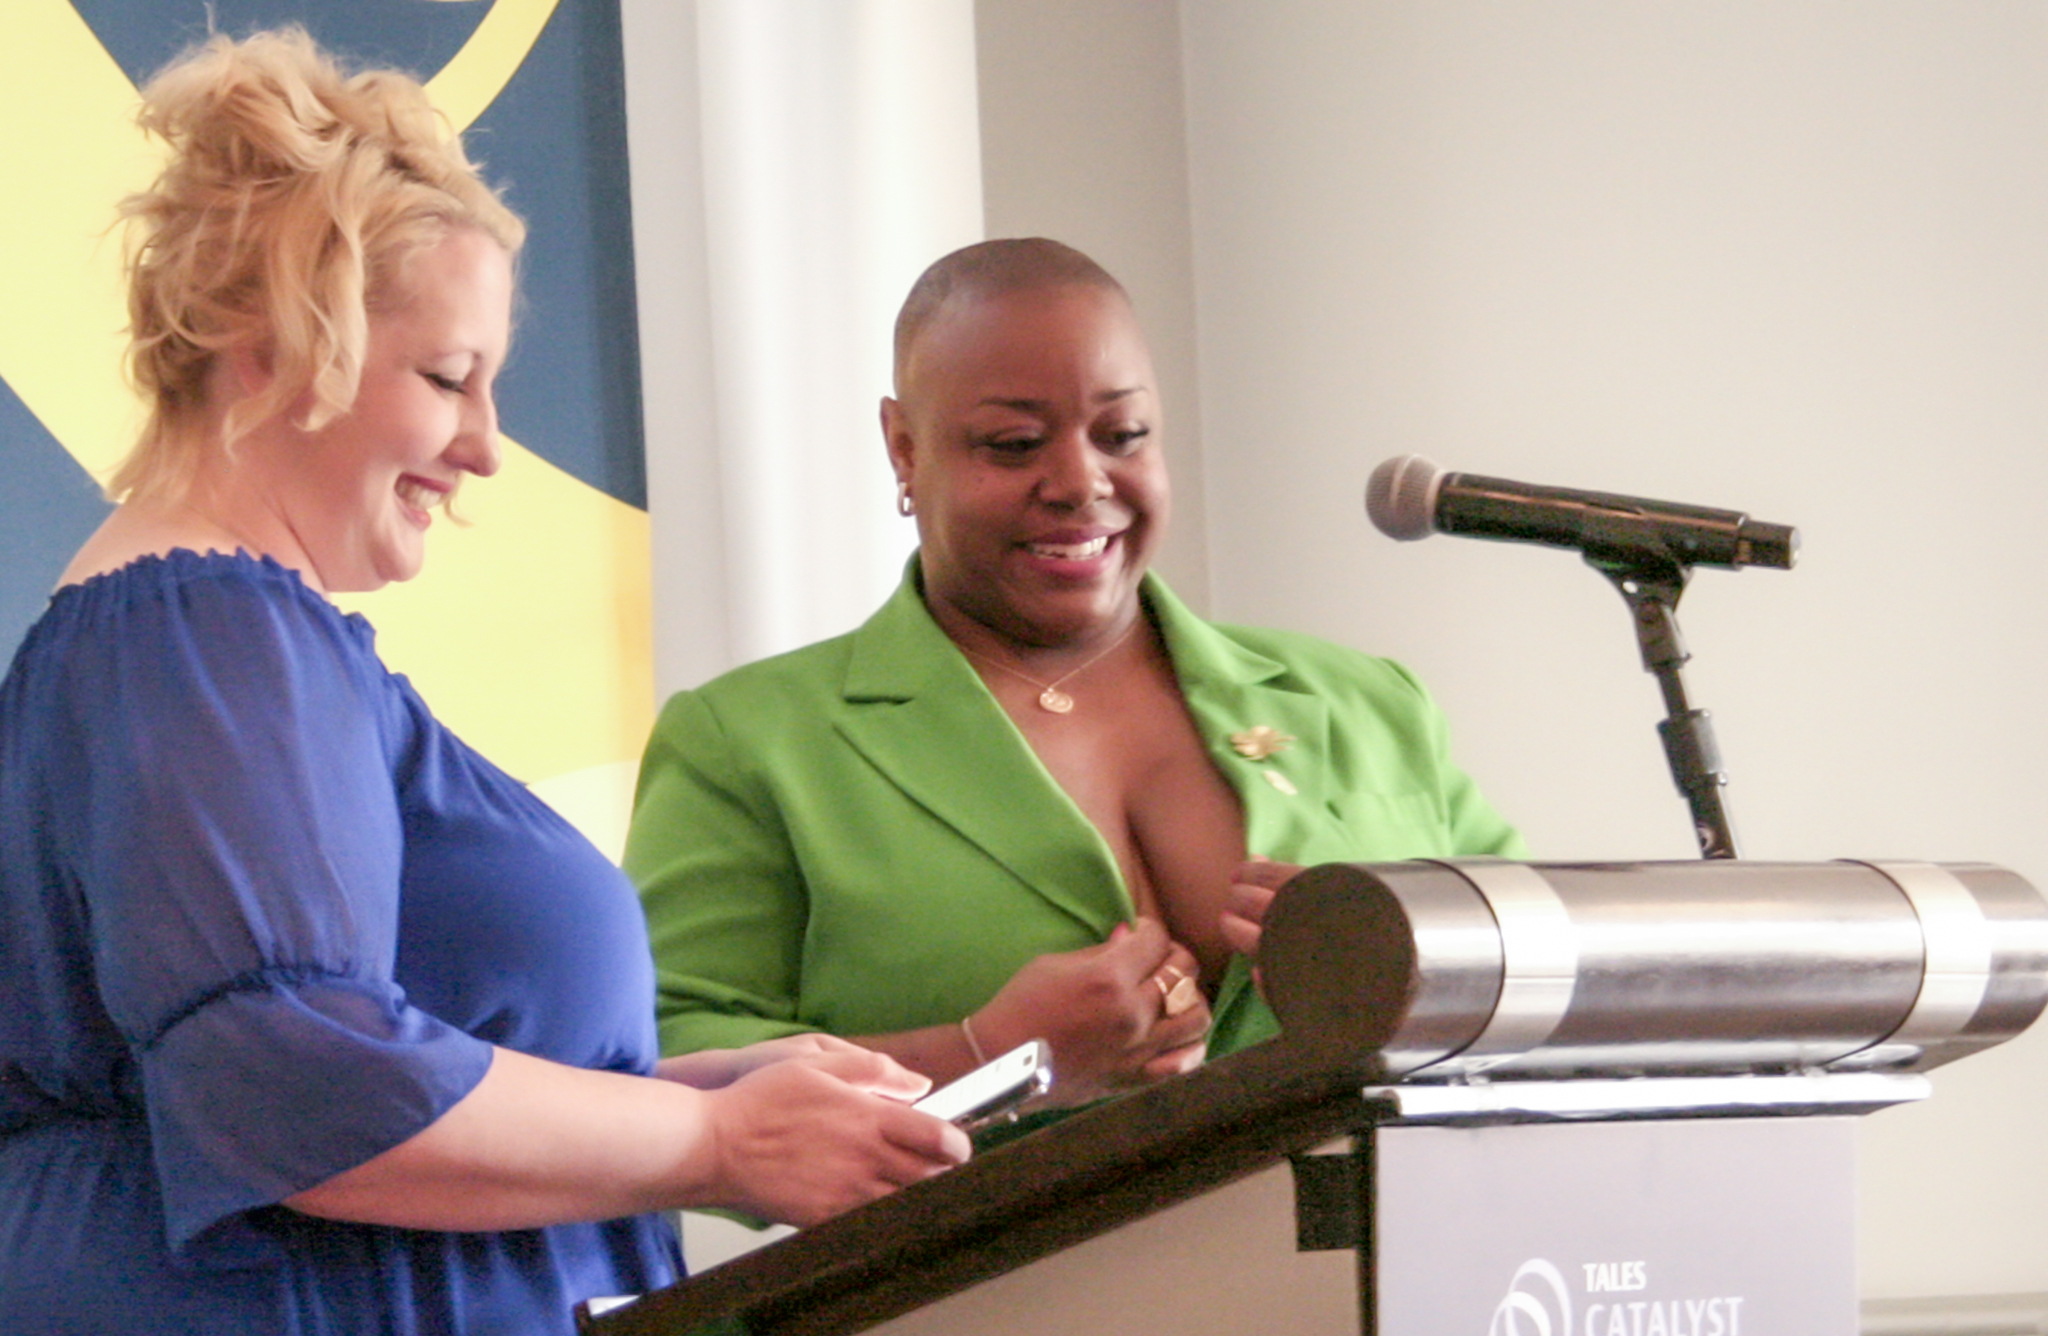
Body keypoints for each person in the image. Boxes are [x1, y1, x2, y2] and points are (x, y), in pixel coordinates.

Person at [0, 30, 965, 1336]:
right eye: (447, 379)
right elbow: (300, 1090)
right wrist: (709, 1135)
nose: (485, 446)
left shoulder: (232, 644)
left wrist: (713, 1089)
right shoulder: (209, 637)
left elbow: (357, 1045)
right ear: (274, 341)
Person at [625, 238, 1522, 1109]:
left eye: (1122, 434)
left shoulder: (1366, 702)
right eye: (1013, 445)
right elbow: (661, 1069)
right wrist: (987, 1057)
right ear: (904, 447)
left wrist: (1411, 970)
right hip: (993, 1263)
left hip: (1373, 1250)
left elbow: (1554, 974)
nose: (1079, 481)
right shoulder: (751, 742)